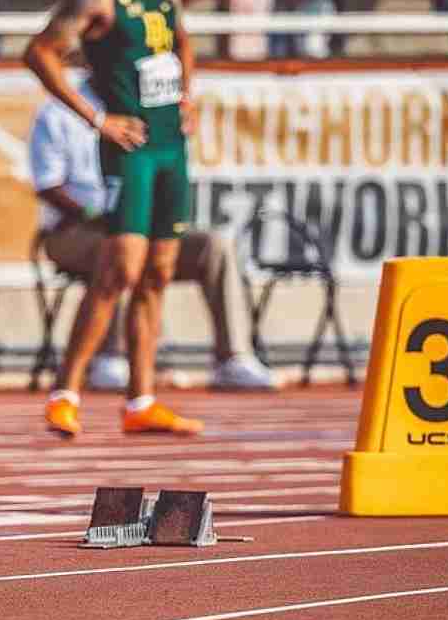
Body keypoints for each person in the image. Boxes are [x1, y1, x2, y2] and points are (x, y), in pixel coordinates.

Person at [25, 0, 208, 439]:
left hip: (171, 147)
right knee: (119, 271)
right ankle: (66, 391)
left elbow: (181, 42)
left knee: (157, 273)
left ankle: (141, 399)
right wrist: (95, 118)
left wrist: (187, 96)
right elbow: (39, 52)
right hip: (128, 147)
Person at [30, 83, 278, 392]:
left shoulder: (153, 108)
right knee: (119, 248)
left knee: (213, 246)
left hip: (141, 224)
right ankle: (110, 356)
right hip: (75, 229)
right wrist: (99, 214)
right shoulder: (58, 112)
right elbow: (47, 184)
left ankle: (234, 357)